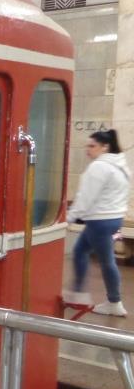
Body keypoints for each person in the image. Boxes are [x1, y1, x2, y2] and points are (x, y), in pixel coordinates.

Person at [63, 129, 131, 317]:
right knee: (81, 251)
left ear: (105, 147)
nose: (88, 149)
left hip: (100, 222)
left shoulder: (99, 167)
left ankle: (114, 302)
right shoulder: (121, 165)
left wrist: (69, 217)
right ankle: (78, 294)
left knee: (106, 261)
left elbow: (85, 198)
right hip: (114, 220)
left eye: (92, 146)